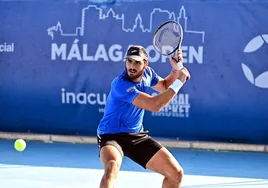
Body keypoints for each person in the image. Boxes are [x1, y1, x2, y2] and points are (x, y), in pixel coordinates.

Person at [97, 45, 190, 188]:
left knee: (176, 174)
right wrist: (179, 82)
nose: (132, 66)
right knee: (112, 165)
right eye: (129, 61)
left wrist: (176, 70)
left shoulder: (148, 74)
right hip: (111, 135)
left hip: (136, 136)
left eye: (137, 62)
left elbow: (165, 85)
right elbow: (155, 105)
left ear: (145, 64)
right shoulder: (120, 85)